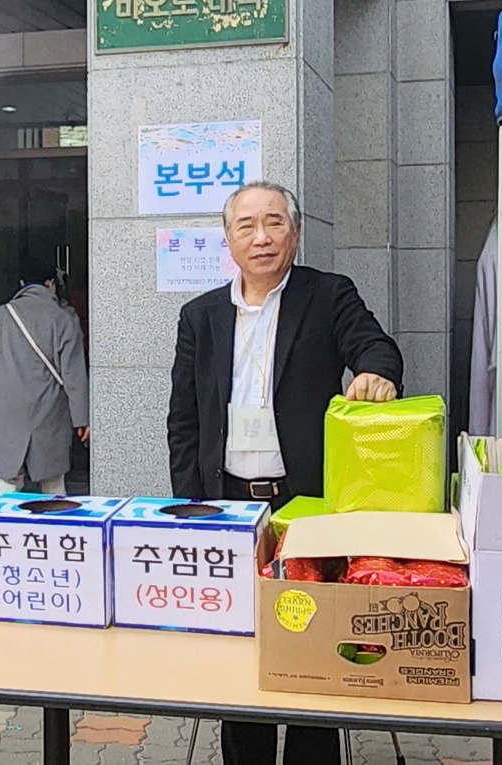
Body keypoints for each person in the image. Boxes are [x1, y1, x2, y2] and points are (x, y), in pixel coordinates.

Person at [168, 181, 403, 765]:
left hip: (307, 506)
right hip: (230, 507)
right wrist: (191, 509)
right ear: (228, 240)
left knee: (311, 647)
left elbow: (376, 347)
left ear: (295, 232)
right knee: (240, 647)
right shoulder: (200, 316)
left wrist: (376, 373)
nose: (262, 237)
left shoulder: (327, 295)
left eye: (274, 222)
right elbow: (184, 421)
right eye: (246, 225)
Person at [0, 259, 90, 496]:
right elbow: (73, 375)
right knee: (52, 479)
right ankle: (54, 520)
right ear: (50, 284)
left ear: (21, 284)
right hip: (50, 409)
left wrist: (2, 381)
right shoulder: (63, 319)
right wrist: (82, 419)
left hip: (7, 408)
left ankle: (3, 519)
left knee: (9, 477)